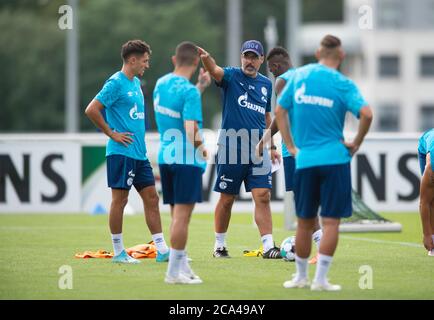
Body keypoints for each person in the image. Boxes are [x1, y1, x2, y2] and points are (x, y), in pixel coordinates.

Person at [275, 35, 373, 291]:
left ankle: (299, 277)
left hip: (304, 160)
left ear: (318, 53)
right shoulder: (343, 83)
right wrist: (357, 143)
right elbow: (367, 113)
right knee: (330, 223)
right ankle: (320, 280)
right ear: (341, 57)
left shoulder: (298, 76)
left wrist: (291, 145)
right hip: (334, 160)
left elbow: (279, 111)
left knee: (304, 221)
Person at [85, 40, 169, 264]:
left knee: (152, 198)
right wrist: (112, 133)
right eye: (144, 61)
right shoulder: (115, 83)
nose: (147, 65)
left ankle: (162, 250)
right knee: (119, 200)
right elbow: (91, 109)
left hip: (139, 155)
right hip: (121, 152)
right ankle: (119, 252)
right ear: (132, 60)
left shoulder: (136, 83)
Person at [198, 40, 282, 259]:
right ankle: (219, 245)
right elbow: (214, 70)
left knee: (263, 195)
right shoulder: (231, 76)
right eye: (246, 56)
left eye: (254, 57)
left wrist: (271, 145)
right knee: (227, 199)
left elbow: (266, 116)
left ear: (262, 59)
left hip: (258, 149)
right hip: (231, 146)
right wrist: (206, 58)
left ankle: (268, 246)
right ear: (241, 57)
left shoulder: (266, 84)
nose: (249, 61)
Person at [258, 46, 323, 264]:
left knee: (303, 200)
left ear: (275, 66)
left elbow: (280, 116)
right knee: (307, 198)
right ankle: (320, 244)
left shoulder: (282, 81)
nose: (271, 73)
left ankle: (320, 247)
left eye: (270, 69)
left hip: (294, 150)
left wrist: (264, 141)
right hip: (312, 146)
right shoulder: (306, 77)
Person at [153, 41, 211, 284]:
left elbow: (177, 110)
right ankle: (173, 274)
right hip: (186, 159)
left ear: (174, 59)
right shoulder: (187, 92)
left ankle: (182, 265)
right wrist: (203, 148)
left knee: (176, 215)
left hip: (165, 156)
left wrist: (200, 86)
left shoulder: (161, 83)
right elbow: (190, 127)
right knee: (182, 218)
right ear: (196, 62)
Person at [417, 128, 434, 256]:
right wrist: (427, 234)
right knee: (432, 199)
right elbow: (424, 202)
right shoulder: (432, 169)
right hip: (425, 145)